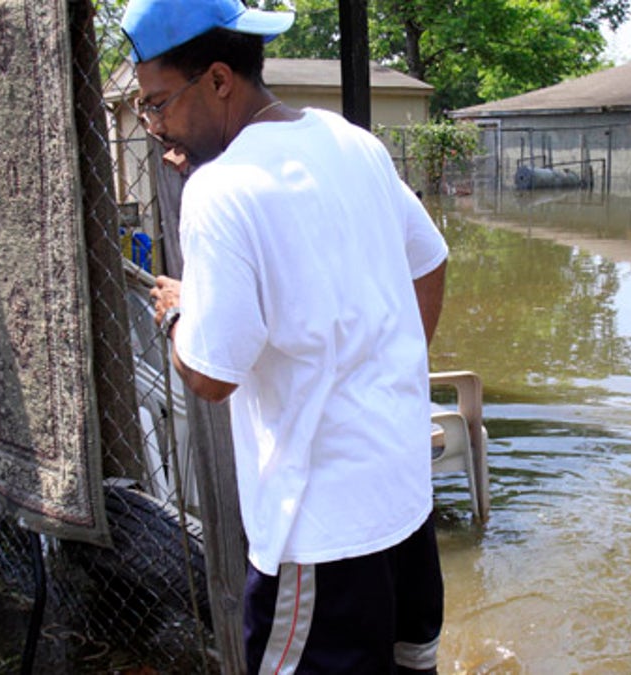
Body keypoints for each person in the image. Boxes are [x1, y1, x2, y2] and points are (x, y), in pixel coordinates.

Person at [121, 0, 449, 672]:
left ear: (217, 79)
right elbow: (430, 260)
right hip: (405, 498)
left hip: (322, 534)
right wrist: (384, 374)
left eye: (158, 103)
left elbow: (213, 374)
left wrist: (182, 313)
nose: (154, 126)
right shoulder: (350, 141)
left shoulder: (220, 191)